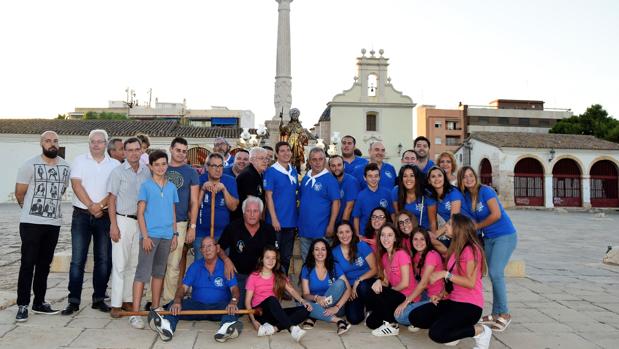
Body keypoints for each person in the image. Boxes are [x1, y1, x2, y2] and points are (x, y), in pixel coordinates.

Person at [408, 214, 492, 349]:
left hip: (470, 305)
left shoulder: (471, 249)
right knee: (416, 317)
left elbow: (470, 283)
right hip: (453, 301)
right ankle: (452, 329)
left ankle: (481, 331)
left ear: (458, 228)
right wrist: (442, 294)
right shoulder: (455, 249)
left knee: (436, 334)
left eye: (448, 224)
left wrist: (444, 274)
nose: (445, 226)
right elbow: (452, 282)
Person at [62, 129, 120, 315]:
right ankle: (73, 301)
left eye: (100, 141)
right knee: (78, 260)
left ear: (106, 143)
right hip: (81, 215)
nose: (96, 144)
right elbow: (76, 184)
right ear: (89, 143)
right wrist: (90, 205)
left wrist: (99, 206)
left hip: (104, 216)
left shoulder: (114, 164)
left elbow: (114, 190)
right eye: (93, 141)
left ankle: (99, 299)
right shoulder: (79, 160)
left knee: (103, 259)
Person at [15, 131, 71, 321]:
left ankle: (39, 302)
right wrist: (30, 211)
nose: (52, 144)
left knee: (44, 265)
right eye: (48, 141)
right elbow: (20, 193)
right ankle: (22, 305)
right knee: (27, 264)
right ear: (41, 144)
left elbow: (61, 190)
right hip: (31, 223)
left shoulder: (65, 166)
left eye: (55, 141)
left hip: (53, 223)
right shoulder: (29, 165)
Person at [148, 237, 243, 342]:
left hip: (220, 307)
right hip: (198, 306)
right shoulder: (195, 266)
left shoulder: (226, 266)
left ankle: (226, 329)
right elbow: (183, 288)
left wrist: (233, 302)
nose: (207, 249)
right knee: (173, 304)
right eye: (204, 247)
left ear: (217, 248)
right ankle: (167, 327)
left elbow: (235, 289)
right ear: (201, 251)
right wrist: (177, 301)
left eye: (210, 246)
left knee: (234, 307)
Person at [459, 166, 517, 332]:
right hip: (488, 239)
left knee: (496, 273)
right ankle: (496, 312)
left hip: (504, 235)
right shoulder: (466, 197)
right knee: (492, 274)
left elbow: (496, 214)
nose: (469, 179)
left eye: (471, 175)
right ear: (461, 181)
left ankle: (505, 314)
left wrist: (477, 225)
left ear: (475, 176)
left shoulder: (486, 191)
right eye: (465, 177)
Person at [129, 150, 179, 329]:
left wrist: (175, 234)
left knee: (159, 273)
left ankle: (155, 308)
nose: (160, 167)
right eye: (156, 164)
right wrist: (145, 236)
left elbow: (173, 212)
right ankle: (135, 314)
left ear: (167, 165)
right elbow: (140, 213)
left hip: (167, 236)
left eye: (163, 164)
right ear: (150, 166)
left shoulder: (171, 187)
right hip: (150, 236)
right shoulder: (146, 186)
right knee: (143, 273)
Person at [107, 137, 151, 318]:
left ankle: (128, 299)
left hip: (140, 222)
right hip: (122, 220)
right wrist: (113, 225)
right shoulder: (117, 172)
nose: (133, 153)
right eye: (130, 150)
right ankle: (116, 304)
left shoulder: (146, 172)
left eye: (136, 149)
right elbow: (111, 200)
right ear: (124, 152)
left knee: (134, 263)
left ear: (142, 151)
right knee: (119, 263)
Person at [158, 137, 199, 306]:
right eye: (178, 150)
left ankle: (168, 300)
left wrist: (192, 227)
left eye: (184, 151)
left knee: (174, 264)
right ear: (171, 149)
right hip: (158, 222)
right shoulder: (160, 168)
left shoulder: (191, 172)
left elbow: (195, 202)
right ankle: (151, 299)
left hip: (181, 222)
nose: (181, 154)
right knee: (157, 263)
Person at [218, 196, 277, 306]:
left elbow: (275, 254)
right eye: (248, 211)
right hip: (239, 275)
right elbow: (219, 247)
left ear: (260, 213)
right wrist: (226, 260)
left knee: (263, 306)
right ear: (243, 212)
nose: (252, 214)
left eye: (255, 211)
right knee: (239, 307)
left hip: (261, 277)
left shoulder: (268, 230)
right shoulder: (233, 227)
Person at [245, 246, 310, 342]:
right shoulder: (254, 277)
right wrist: (253, 320)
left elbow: (291, 290)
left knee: (306, 310)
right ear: (262, 259)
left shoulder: (278, 276)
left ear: (276, 260)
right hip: (259, 313)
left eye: (273, 258)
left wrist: (302, 300)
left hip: (275, 313)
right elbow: (247, 302)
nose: (270, 261)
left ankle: (274, 328)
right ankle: (292, 329)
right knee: (272, 299)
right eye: (267, 257)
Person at [365, 223, 415, 336]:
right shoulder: (384, 257)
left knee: (380, 291)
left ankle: (392, 325)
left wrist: (387, 291)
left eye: (389, 235)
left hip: (407, 297)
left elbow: (405, 283)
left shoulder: (401, 254)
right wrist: (378, 281)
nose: (386, 238)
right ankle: (388, 317)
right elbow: (386, 282)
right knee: (371, 323)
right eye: (383, 235)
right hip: (395, 296)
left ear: (395, 238)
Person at [394, 227, 444, 328]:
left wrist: (406, 302)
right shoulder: (417, 255)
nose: (419, 242)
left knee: (400, 316)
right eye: (415, 239)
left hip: (438, 298)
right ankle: (425, 317)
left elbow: (423, 283)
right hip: (426, 295)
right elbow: (416, 280)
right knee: (397, 306)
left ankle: (439, 320)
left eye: (422, 239)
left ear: (427, 241)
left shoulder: (431, 255)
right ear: (411, 241)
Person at [299, 238, 352, 335]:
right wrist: (317, 297)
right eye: (316, 249)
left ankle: (314, 316)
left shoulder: (334, 266)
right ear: (312, 252)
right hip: (316, 302)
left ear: (327, 252)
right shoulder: (307, 268)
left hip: (335, 306)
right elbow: (305, 294)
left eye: (323, 249)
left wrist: (336, 307)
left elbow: (348, 289)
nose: (320, 252)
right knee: (302, 305)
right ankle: (339, 321)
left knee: (340, 283)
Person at [298, 147, 340, 261]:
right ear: (309, 161)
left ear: (325, 161)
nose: (317, 162)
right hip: (304, 230)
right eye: (314, 159)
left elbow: (336, 203)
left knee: (322, 263)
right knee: (306, 262)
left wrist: (331, 225)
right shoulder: (306, 177)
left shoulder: (330, 180)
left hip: (321, 231)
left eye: (320, 159)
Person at [331, 221, 377, 325]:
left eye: (347, 231)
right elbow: (339, 276)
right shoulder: (334, 252)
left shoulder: (362, 246)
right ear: (337, 234)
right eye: (341, 232)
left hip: (367, 281)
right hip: (350, 286)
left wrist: (358, 280)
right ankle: (363, 305)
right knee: (354, 319)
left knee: (362, 287)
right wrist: (349, 289)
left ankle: (372, 308)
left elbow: (374, 269)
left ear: (352, 232)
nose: (344, 235)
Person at [264, 141, 298, 274]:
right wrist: (274, 219)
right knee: (274, 257)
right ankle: (272, 286)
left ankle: (283, 285)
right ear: (277, 154)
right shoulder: (271, 172)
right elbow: (268, 196)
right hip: (276, 222)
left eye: (288, 150)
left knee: (286, 257)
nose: (286, 153)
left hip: (290, 222)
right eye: (282, 151)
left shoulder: (293, 171)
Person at [196, 153, 239, 252]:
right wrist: (202, 189)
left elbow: (233, 207)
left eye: (220, 166)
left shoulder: (230, 181)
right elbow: (193, 207)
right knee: (200, 263)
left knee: (222, 264)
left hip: (223, 232)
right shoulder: (199, 180)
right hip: (201, 232)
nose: (218, 169)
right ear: (207, 167)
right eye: (214, 166)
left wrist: (224, 190)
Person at [426, 166, 464, 253]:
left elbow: (454, 218)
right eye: (433, 176)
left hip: (461, 229)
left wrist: (436, 234)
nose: (437, 179)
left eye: (439, 175)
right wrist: (433, 235)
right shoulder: (432, 196)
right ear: (429, 181)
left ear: (444, 178)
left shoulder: (453, 193)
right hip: (448, 232)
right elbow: (433, 221)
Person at [353, 163, 394, 235]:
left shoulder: (387, 193)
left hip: (384, 235)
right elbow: (356, 217)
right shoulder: (361, 196)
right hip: (366, 235)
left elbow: (392, 213)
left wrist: (393, 230)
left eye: (376, 176)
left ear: (379, 177)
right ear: (365, 178)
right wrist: (357, 235)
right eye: (370, 176)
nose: (373, 179)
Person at [234, 147, 269, 220]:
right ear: (252, 160)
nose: (265, 161)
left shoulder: (258, 174)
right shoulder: (248, 175)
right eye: (261, 158)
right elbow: (251, 202)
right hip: (246, 221)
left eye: (266, 158)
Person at [392, 164, 430, 230]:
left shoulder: (427, 194)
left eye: (412, 175)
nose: (408, 179)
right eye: (405, 176)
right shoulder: (396, 191)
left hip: (423, 233)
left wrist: (431, 237)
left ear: (417, 178)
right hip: (405, 233)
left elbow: (433, 222)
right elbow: (398, 217)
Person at [328, 155, 359, 224]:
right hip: (331, 222)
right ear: (330, 167)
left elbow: (349, 207)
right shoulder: (329, 181)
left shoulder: (351, 181)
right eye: (333, 166)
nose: (336, 168)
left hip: (346, 224)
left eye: (339, 165)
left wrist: (342, 228)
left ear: (344, 165)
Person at [279, 108, 309, 172]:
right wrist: (281, 123)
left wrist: (304, 137)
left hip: (298, 144)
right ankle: (289, 168)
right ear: (291, 116)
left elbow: (303, 134)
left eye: (296, 115)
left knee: (299, 156)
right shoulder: (288, 125)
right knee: (290, 155)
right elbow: (283, 131)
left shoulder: (300, 126)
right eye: (294, 115)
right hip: (290, 143)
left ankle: (298, 170)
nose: (295, 116)